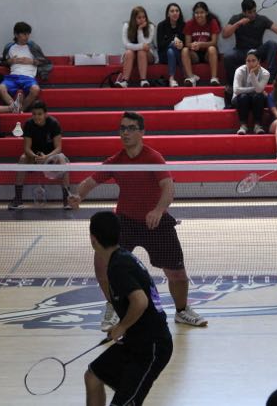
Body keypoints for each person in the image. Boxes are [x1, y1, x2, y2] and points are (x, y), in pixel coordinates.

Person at [69, 111, 208, 329]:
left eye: (131, 128)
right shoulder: (117, 160)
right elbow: (91, 180)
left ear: (142, 132)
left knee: (177, 274)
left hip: (156, 223)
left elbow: (168, 187)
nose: (125, 133)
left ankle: (181, 311)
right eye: (122, 128)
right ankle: (113, 307)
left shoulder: (153, 158)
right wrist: (78, 195)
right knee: (102, 263)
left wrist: (158, 210)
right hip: (125, 222)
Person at [84, 211, 173, 406]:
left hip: (152, 347)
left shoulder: (118, 267)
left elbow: (140, 301)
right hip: (136, 341)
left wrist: (122, 326)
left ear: (93, 240)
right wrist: (124, 327)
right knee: (93, 376)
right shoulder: (122, 257)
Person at [222, 0, 277, 88]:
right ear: (244, 12)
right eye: (250, 12)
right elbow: (225, 35)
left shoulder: (261, 19)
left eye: (254, 11)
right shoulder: (236, 18)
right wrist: (238, 24)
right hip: (241, 51)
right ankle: (232, 84)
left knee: (272, 44)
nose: (253, 14)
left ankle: (272, 79)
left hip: (257, 52)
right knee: (227, 56)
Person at [7, 100, 70, 210]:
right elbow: (26, 148)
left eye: (40, 114)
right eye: (34, 114)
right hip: (34, 157)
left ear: (45, 114)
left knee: (62, 159)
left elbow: (58, 148)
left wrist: (46, 157)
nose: (37, 117)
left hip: (51, 158)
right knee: (22, 159)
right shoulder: (29, 124)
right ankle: (18, 199)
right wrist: (35, 156)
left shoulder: (53, 123)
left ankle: (66, 199)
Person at [0, 21, 51, 112]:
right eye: (24, 34)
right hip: (13, 76)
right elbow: (3, 62)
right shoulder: (10, 47)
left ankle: (21, 109)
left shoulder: (33, 47)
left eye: (28, 34)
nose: (27, 37)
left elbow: (45, 62)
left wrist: (32, 61)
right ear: (16, 34)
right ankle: (15, 107)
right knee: (0, 88)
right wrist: (10, 61)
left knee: (35, 89)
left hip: (28, 77)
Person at [181, 1, 221, 87]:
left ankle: (214, 78)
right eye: (197, 13)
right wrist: (193, 45)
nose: (199, 15)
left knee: (212, 48)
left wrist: (200, 44)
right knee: (184, 50)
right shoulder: (189, 23)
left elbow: (214, 42)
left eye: (202, 12)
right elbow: (187, 43)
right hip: (195, 54)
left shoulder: (212, 22)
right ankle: (191, 77)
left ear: (206, 13)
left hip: (208, 53)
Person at [116, 6, 156, 88]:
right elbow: (126, 45)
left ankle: (143, 80)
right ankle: (125, 81)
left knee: (141, 52)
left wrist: (140, 30)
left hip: (148, 55)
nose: (142, 20)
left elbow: (145, 44)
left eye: (144, 17)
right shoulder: (126, 26)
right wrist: (140, 46)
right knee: (129, 52)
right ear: (133, 18)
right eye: (139, 18)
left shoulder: (150, 26)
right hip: (131, 56)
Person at [233, 49, 270, 135]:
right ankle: (243, 126)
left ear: (259, 61)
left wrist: (252, 74)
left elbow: (258, 91)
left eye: (253, 60)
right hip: (240, 98)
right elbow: (236, 90)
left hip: (256, 99)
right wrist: (254, 89)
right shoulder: (240, 70)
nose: (250, 63)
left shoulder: (265, 73)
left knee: (259, 96)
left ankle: (257, 125)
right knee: (244, 96)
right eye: (248, 61)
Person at [156, 3, 186, 87]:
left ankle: (172, 79)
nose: (175, 13)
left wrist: (181, 44)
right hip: (164, 55)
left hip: (179, 54)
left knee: (172, 51)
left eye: (177, 11)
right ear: (168, 14)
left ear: (179, 13)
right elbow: (160, 46)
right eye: (172, 11)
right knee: (170, 50)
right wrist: (172, 42)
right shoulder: (161, 25)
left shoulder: (183, 25)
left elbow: (186, 43)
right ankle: (185, 75)